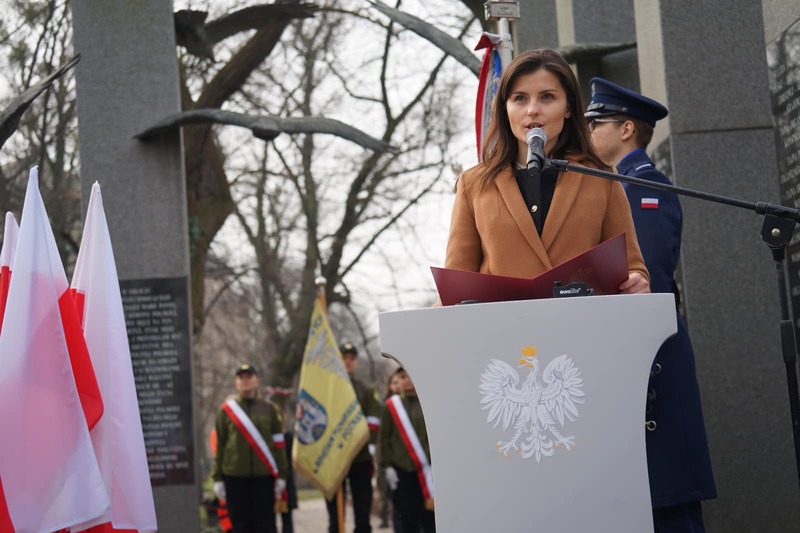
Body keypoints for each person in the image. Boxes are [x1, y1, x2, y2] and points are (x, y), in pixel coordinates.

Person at [585, 77, 717, 532]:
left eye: (595, 122)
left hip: (653, 363)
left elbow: (648, 280)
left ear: (625, 129)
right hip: (636, 364)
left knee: (668, 506)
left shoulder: (642, 189)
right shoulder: (614, 186)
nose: (587, 132)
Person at [444, 48, 649, 295]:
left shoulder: (601, 177)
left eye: (547, 97)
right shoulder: (474, 184)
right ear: (504, 108)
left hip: (582, 327)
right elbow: (458, 282)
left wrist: (636, 280)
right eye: (520, 98)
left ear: (568, 107)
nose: (532, 110)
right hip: (504, 330)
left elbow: (631, 266)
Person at [211, 364, 289, 533]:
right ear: (236, 383)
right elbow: (220, 447)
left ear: (257, 381)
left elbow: (279, 445)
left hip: (264, 478)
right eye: (241, 377)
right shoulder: (225, 412)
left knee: (266, 526)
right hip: (235, 478)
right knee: (240, 527)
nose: (245, 381)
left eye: (249, 377)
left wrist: (282, 475)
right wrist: (217, 478)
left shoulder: (270, 409)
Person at [325, 341, 382, 533]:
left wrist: (369, 443)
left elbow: (374, 419)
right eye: (344, 357)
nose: (348, 362)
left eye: (352, 358)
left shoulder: (365, 389)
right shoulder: (327, 389)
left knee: (362, 511)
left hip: (360, 457)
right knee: (335, 515)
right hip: (333, 457)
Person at [379, 367, 435, 533]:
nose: (406, 381)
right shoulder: (391, 406)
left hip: (428, 472)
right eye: (402, 377)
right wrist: (387, 466)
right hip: (402, 471)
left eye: (409, 376)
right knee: (407, 520)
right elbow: (384, 438)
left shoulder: (429, 403)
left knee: (430, 520)